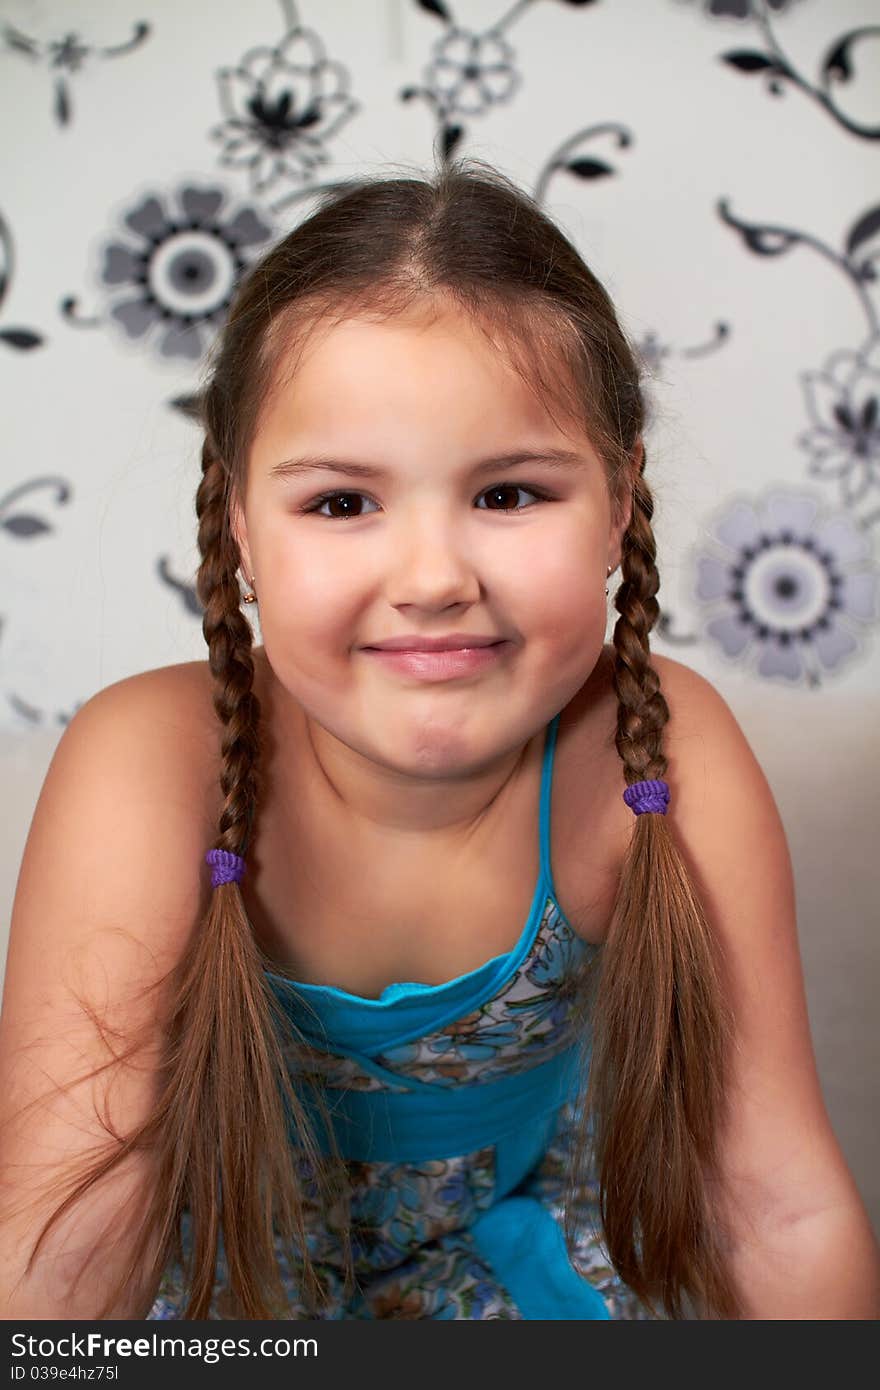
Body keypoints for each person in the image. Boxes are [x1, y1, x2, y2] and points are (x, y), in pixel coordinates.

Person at [1, 161, 877, 1323]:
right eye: (341, 503)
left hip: (525, 1282)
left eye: (508, 495)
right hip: (226, 1304)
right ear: (237, 526)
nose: (431, 581)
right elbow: (67, 1241)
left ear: (618, 504)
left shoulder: (653, 757)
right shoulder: (150, 761)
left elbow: (771, 1207)